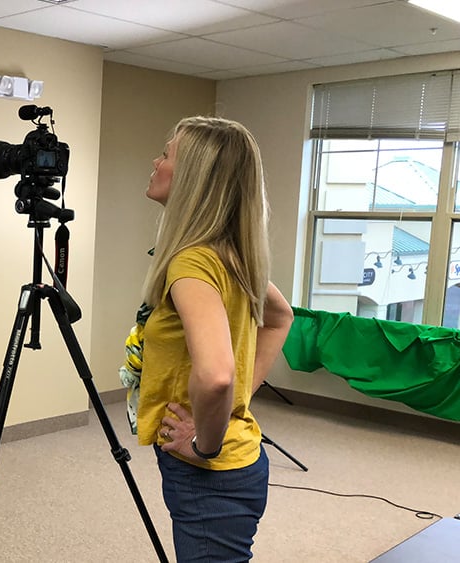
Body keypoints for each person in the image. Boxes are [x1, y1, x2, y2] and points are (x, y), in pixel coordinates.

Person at [126, 116, 294, 562]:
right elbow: (281, 318)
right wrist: (241, 396)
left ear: (193, 179)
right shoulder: (230, 253)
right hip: (236, 462)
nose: (156, 162)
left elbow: (217, 375)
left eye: (167, 154)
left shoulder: (192, 263)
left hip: (211, 472)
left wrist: (205, 444)